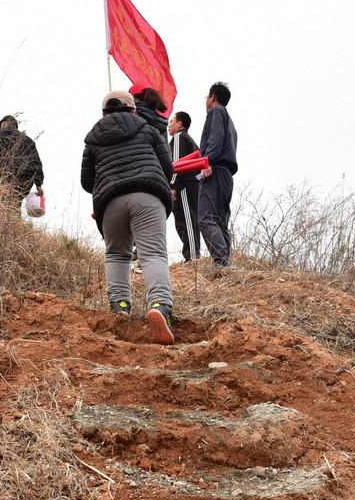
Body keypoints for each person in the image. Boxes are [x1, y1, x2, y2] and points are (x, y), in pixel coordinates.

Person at [80, 91, 177, 345]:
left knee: (116, 254)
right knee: (153, 253)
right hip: (147, 196)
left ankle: (120, 307)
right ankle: (159, 305)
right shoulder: (148, 129)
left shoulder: (92, 138)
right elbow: (168, 169)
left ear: (103, 114)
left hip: (110, 202)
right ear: (132, 109)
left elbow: (86, 182)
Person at [197, 82, 238, 271]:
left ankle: (220, 260)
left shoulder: (216, 112)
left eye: (207, 96)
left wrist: (207, 162)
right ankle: (226, 263)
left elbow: (215, 139)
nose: (206, 100)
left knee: (205, 218)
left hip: (214, 170)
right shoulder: (230, 121)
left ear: (212, 97)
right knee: (220, 220)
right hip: (226, 175)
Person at [0, 114, 44, 209]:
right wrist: (39, 185)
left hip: (9, 173)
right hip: (27, 178)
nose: (0, 127)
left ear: (5, 123)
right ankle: (13, 221)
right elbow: (37, 163)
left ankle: (1, 221)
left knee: (2, 202)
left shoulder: (0, 133)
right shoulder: (28, 140)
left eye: (1, 124)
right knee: (14, 203)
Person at [168, 111, 201, 261]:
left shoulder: (179, 137)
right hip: (192, 184)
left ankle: (192, 258)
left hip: (183, 185)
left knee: (186, 220)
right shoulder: (190, 140)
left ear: (180, 124)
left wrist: (173, 185)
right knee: (188, 219)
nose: (169, 126)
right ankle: (192, 255)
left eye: (171, 122)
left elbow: (176, 163)